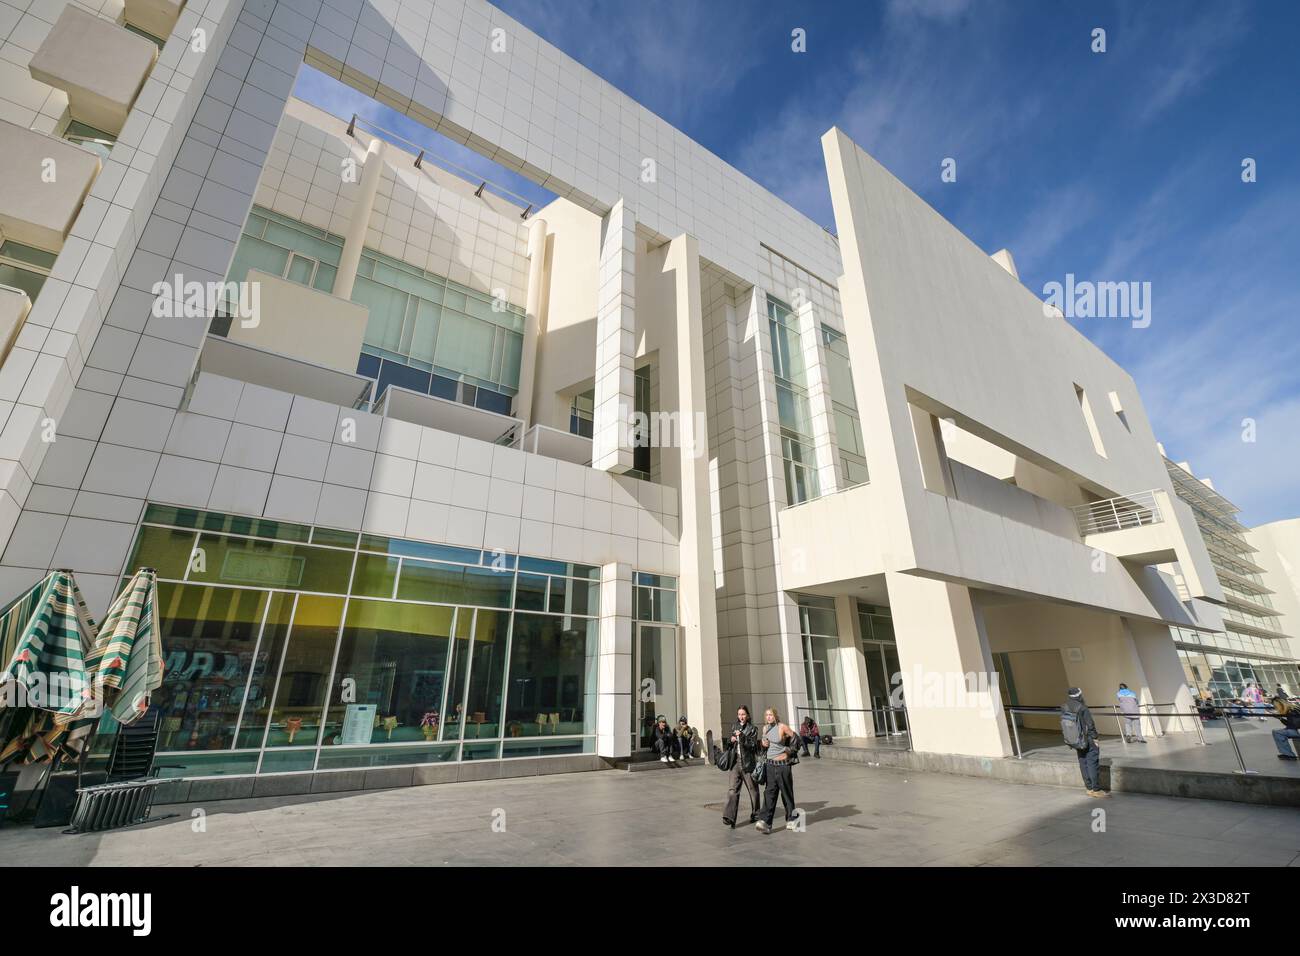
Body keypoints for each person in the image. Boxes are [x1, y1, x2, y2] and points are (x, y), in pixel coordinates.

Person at [756, 706, 801, 834]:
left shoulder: (782, 727)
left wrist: (789, 751)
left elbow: (796, 739)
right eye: (767, 715)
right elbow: (765, 746)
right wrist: (763, 745)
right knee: (769, 793)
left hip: (783, 765)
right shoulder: (765, 728)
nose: (768, 717)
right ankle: (766, 822)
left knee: (786, 793)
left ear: (775, 715)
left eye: (770, 715)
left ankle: (792, 819)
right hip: (770, 765)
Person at [721, 705, 760, 828]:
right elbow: (729, 745)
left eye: (743, 714)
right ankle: (729, 817)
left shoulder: (753, 728)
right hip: (735, 762)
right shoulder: (734, 726)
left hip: (748, 763)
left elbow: (753, 745)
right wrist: (730, 740)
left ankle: (756, 813)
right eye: (739, 714)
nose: (741, 717)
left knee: (753, 790)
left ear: (747, 715)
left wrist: (741, 737)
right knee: (732, 790)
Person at [1062, 687, 1105, 798]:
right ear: (1079, 695)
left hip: (1076, 740)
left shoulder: (1064, 706)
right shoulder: (1082, 707)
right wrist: (1095, 737)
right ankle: (1096, 789)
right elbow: (1090, 724)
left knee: (1083, 763)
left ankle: (1089, 788)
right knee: (1092, 763)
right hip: (1088, 739)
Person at [1269, 696, 1300, 761]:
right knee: (1278, 732)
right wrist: (1280, 718)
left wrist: (1280, 718)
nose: (1276, 708)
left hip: (1297, 730)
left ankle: (1289, 754)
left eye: (1275, 706)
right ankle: (1288, 753)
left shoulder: (1291, 710)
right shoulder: (1292, 708)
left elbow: (1294, 724)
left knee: (1277, 732)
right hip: (1296, 729)